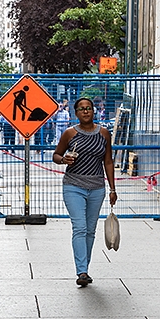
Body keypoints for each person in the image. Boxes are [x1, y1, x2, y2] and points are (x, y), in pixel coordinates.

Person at [53, 98, 118, 286]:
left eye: (89, 108)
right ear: (76, 113)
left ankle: (85, 268)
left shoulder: (104, 133)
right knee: (80, 227)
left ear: (94, 111)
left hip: (97, 188)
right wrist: (63, 160)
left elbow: (108, 161)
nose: (86, 111)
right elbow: (56, 155)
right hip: (73, 186)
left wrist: (112, 188)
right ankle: (81, 271)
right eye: (81, 109)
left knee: (90, 231)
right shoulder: (69, 133)